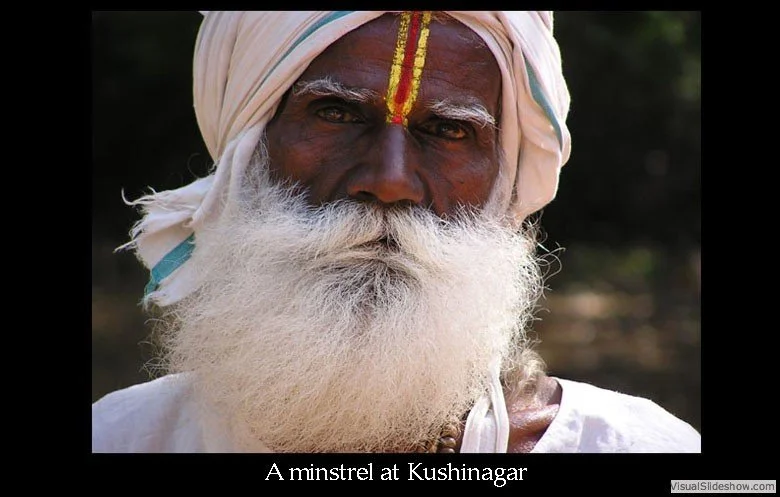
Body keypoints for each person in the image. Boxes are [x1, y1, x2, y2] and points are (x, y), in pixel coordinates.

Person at [92, 11, 701, 453]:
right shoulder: (122, 439)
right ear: (246, 152)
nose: (389, 183)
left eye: (449, 131)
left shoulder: (640, 449)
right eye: (334, 113)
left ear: (505, 181)